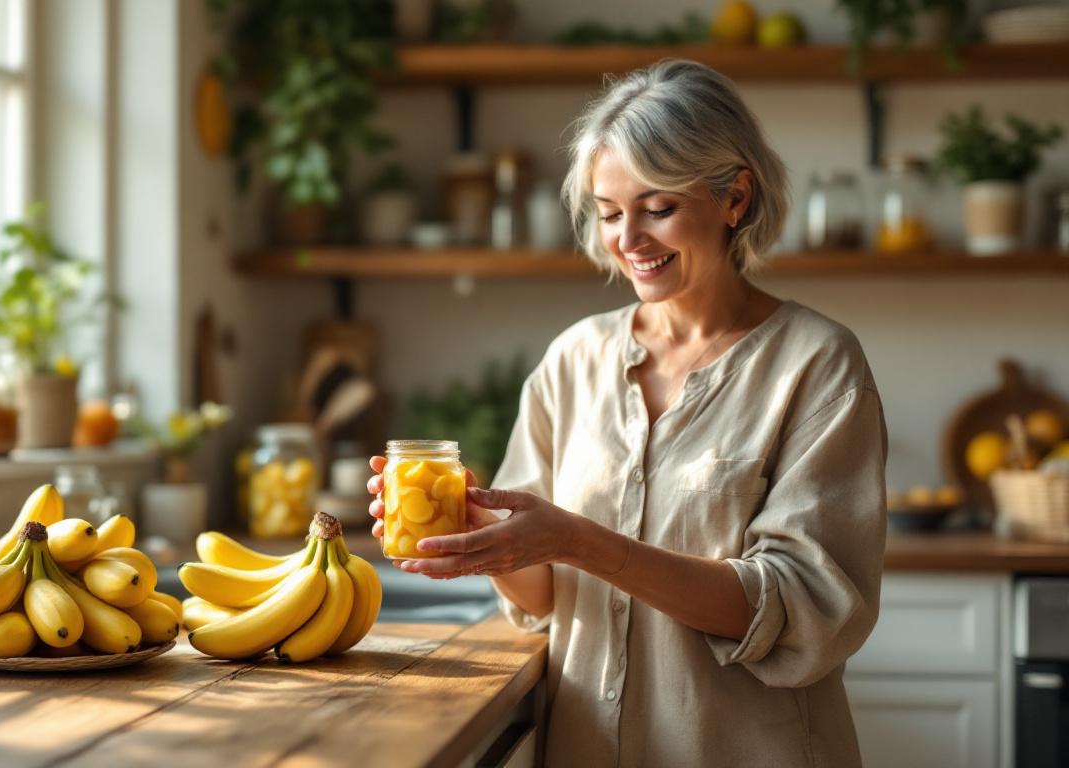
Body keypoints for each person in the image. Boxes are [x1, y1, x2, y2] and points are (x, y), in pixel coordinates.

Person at [365, 59, 888, 767]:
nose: (628, 239)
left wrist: (578, 540)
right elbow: (543, 597)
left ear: (735, 196)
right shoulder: (573, 360)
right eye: (610, 212)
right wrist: (483, 530)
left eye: (658, 207)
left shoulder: (816, 365)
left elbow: (795, 608)